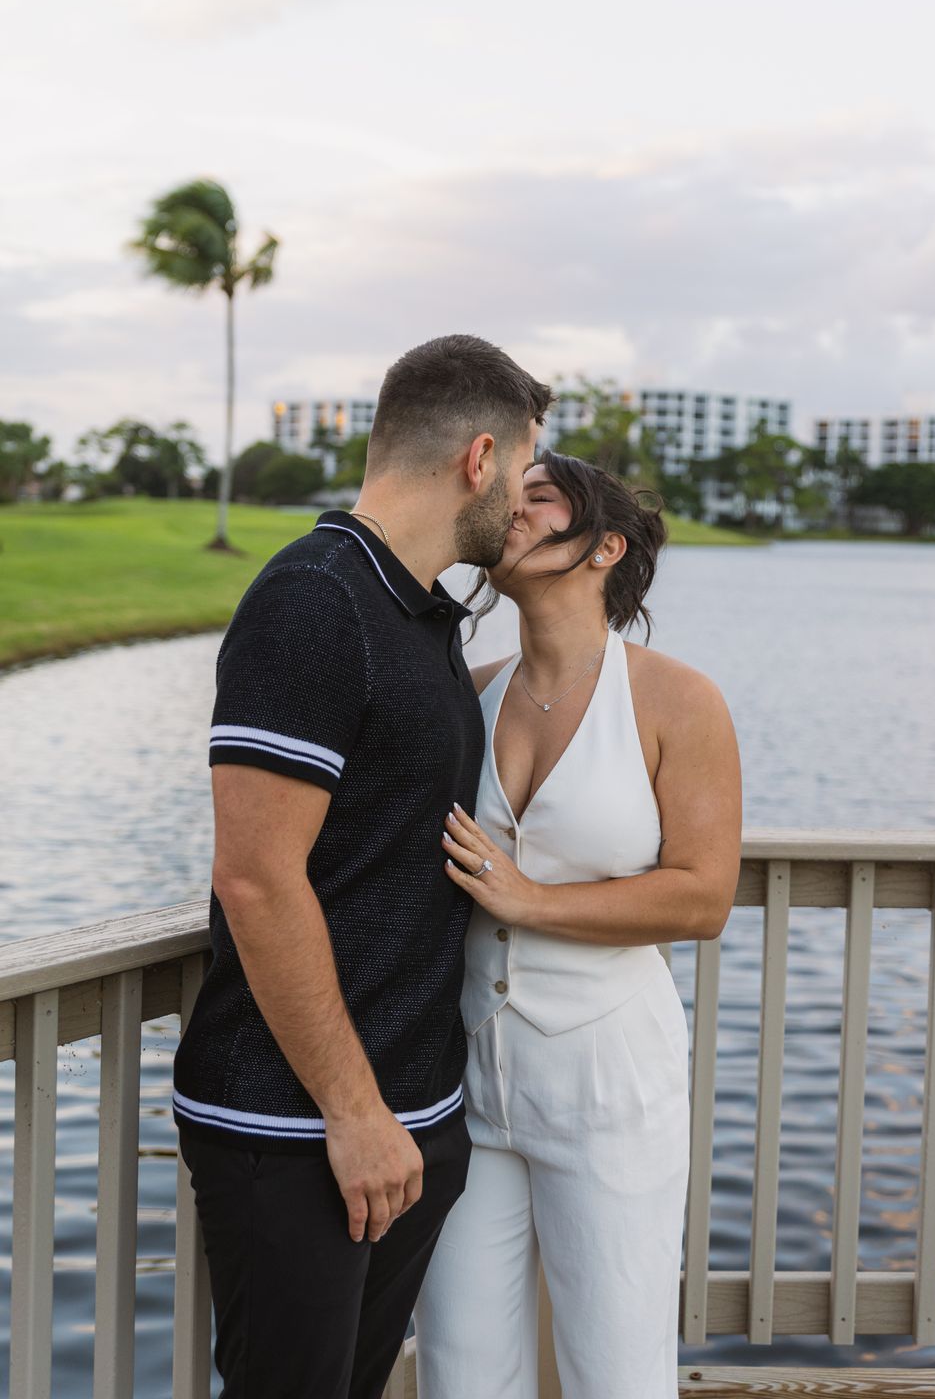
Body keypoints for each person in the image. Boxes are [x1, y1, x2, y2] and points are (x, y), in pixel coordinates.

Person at [173, 333, 552, 1399]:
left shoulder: (418, 612)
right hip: (300, 1129)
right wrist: (353, 1110)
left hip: (408, 1121)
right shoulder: (316, 601)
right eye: (525, 470)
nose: (524, 500)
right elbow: (255, 875)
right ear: (479, 457)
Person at [414, 450, 742, 1399]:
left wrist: (534, 902)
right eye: (505, 495)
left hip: (611, 1088)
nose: (507, 510)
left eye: (539, 499)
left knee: (616, 1372)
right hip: (468, 1081)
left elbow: (702, 896)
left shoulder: (680, 701)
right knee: (461, 1373)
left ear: (605, 545)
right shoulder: (465, 691)